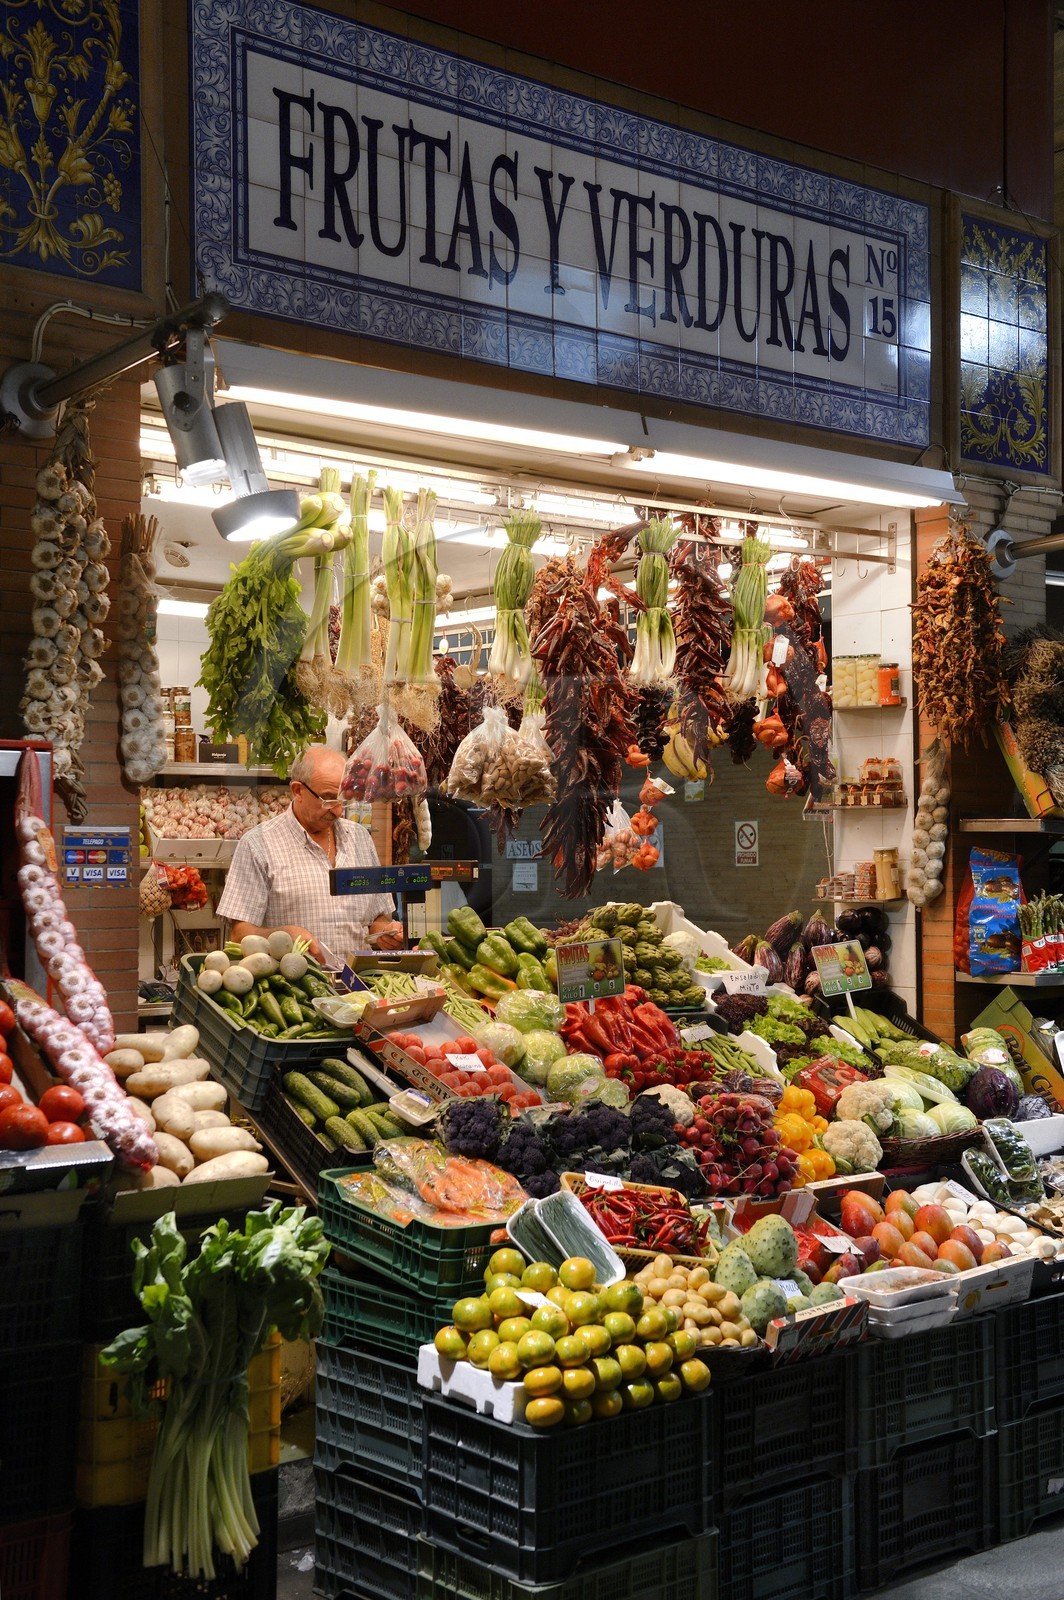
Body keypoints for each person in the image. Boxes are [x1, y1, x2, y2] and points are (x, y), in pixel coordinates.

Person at [217, 744, 405, 962]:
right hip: (295, 989)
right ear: (298, 791)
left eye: (343, 798)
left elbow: (376, 916)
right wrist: (283, 936)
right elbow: (239, 935)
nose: (337, 810)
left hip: (357, 988)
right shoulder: (258, 845)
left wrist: (384, 932)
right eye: (327, 798)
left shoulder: (360, 838)